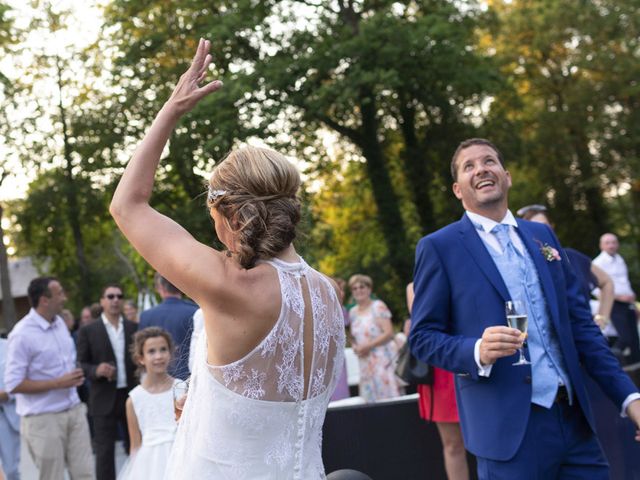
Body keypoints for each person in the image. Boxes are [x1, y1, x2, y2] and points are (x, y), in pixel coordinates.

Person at [108, 39, 345, 478]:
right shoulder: (328, 292)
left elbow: (128, 206)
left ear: (229, 214)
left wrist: (172, 109)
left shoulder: (230, 285)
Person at [409, 138, 640, 479]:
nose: (481, 169)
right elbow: (423, 337)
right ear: (458, 189)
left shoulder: (542, 238)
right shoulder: (439, 247)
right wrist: (476, 350)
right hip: (507, 434)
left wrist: (630, 399)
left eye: (489, 161)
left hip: (574, 422)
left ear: (506, 175)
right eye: (469, 166)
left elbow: (583, 330)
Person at [4, 277, 94, 480]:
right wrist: (57, 383)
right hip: (43, 420)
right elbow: (12, 384)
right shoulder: (21, 334)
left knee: (85, 475)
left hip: (74, 411)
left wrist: (74, 374)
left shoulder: (60, 323)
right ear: (44, 300)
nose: (64, 297)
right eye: (60, 293)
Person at [406, 282, 469, 480]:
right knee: (452, 444)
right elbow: (423, 322)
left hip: (472, 359)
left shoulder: (465, 275)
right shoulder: (414, 287)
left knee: (492, 440)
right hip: (439, 370)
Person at [516, 205, 614, 329]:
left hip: (587, 334)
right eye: (533, 226)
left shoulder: (572, 257)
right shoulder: (524, 266)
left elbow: (607, 282)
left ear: (552, 226)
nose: (539, 230)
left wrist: (602, 318)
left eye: (544, 225)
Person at [77, 284, 138, 480]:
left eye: (119, 296)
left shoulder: (133, 327)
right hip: (103, 398)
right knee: (104, 454)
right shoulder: (88, 330)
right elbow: (80, 364)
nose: (115, 300)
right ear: (102, 301)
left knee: (136, 448)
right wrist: (96, 370)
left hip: (131, 395)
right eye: (110, 296)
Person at [117, 327, 177, 480]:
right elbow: (135, 445)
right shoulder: (134, 399)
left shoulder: (182, 389)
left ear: (170, 353)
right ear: (141, 358)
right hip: (150, 465)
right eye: (151, 351)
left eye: (163, 349)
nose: (158, 356)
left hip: (180, 458)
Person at [348, 274, 402, 402]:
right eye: (354, 288)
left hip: (382, 359)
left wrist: (368, 346)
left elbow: (388, 332)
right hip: (365, 362)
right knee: (370, 400)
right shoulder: (353, 312)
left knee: (387, 398)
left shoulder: (377, 306)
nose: (358, 290)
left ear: (369, 289)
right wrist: (355, 346)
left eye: (362, 287)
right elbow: (354, 336)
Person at [139, 273, 197, 380]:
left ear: (160, 287)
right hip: (189, 377)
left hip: (157, 378)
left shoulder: (146, 316)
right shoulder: (195, 311)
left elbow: (141, 350)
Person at [593, 232, 640, 364]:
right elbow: (597, 290)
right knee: (625, 338)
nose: (611, 245)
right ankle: (608, 362)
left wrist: (633, 301)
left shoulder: (620, 259)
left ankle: (635, 371)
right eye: (608, 243)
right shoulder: (598, 263)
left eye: (614, 242)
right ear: (601, 245)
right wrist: (619, 297)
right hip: (613, 305)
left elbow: (624, 282)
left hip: (628, 304)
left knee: (634, 340)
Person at [0, 335, 20, 480]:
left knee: (11, 470)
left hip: (6, 415)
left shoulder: (9, 346)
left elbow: (21, 377)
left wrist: (8, 394)